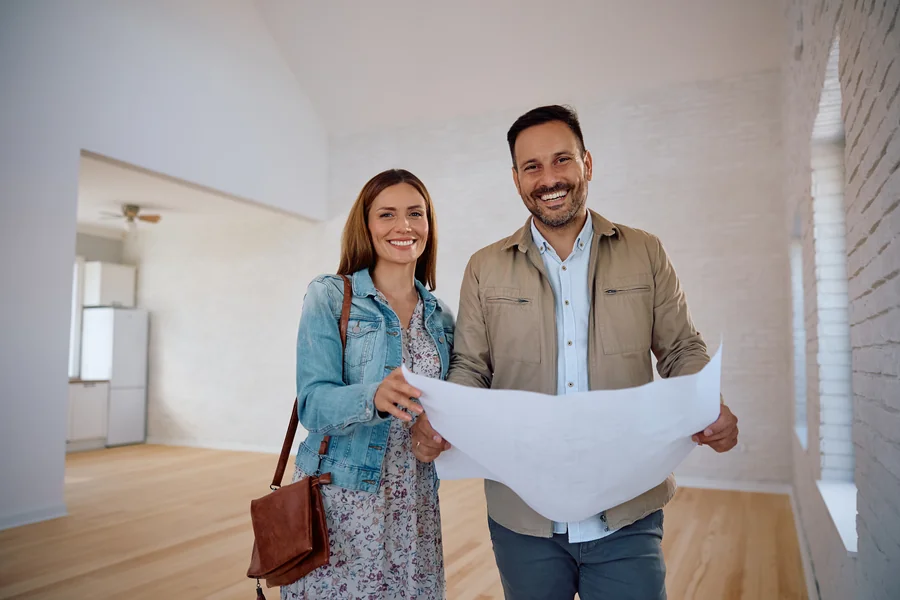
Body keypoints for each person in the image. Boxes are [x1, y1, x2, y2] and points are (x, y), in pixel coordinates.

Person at [411, 105, 739, 600]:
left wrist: (708, 402)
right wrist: (442, 420)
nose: (549, 178)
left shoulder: (645, 251)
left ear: (587, 162)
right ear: (517, 179)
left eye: (561, 160)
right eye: (532, 167)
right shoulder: (484, 267)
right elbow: (472, 368)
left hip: (628, 504)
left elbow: (680, 349)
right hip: (522, 514)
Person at [282, 168, 454, 600]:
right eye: (387, 215)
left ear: (429, 226)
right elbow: (313, 404)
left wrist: (438, 433)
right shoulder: (329, 296)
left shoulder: (440, 316)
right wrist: (372, 397)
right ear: (366, 225)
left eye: (416, 213)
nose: (404, 226)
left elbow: (448, 405)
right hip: (342, 500)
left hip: (415, 502)